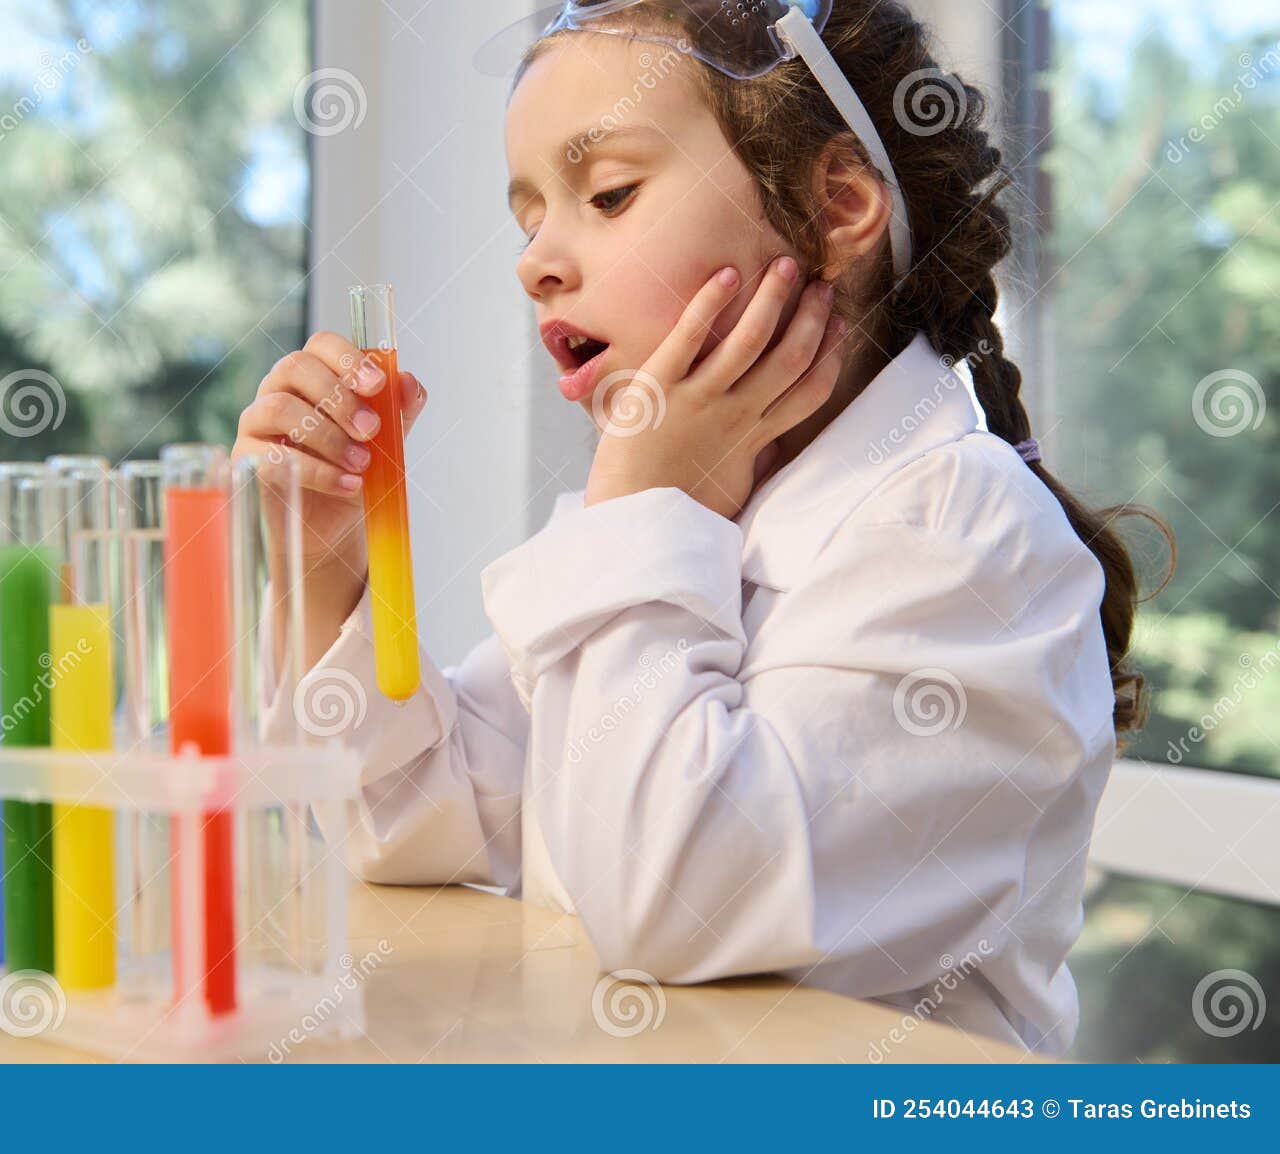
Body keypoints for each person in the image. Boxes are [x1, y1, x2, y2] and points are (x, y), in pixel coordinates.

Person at [233, 0, 1168, 1055]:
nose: (535, 261)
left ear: (835, 207)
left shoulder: (964, 536)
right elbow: (410, 819)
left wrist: (641, 506)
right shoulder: (689, 517)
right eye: (528, 215)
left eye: (608, 193)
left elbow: (673, 903)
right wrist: (325, 570)